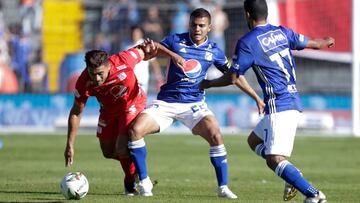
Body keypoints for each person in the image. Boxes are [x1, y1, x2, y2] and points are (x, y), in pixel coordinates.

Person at [199, 0, 335, 202]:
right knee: (253, 141)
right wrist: (327, 40)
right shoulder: (282, 32)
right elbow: (315, 44)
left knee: (274, 160)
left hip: (279, 105)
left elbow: (233, 77)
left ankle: (314, 195)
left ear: (247, 15)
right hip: (292, 101)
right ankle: (291, 173)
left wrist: (208, 84)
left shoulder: (248, 42)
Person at [128, 8, 238, 199]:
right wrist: (169, 54)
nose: (197, 29)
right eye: (194, 25)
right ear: (189, 24)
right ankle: (144, 181)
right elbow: (154, 49)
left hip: (194, 105)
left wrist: (255, 96)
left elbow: (232, 75)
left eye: (201, 26)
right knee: (135, 130)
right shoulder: (175, 40)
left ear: (209, 28)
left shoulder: (214, 51)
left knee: (215, 134)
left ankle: (223, 188)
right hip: (166, 103)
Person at [63, 39, 184, 196]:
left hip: (132, 104)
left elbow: (148, 48)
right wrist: (70, 144)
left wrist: (173, 56)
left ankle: (130, 183)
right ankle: (136, 166)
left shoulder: (124, 59)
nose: (97, 79)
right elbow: (76, 112)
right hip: (108, 110)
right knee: (107, 152)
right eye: (93, 74)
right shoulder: (84, 81)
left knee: (121, 147)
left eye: (100, 74)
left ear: (109, 65)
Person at [121, 25, 164, 93]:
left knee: (140, 100)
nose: (134, 35)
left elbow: (154, 62)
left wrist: (158, 77)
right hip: (128, 78)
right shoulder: (125, 44)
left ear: (141, 34)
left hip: (142, 78)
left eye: (136, 33)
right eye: (133, 33)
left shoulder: (146, 45)